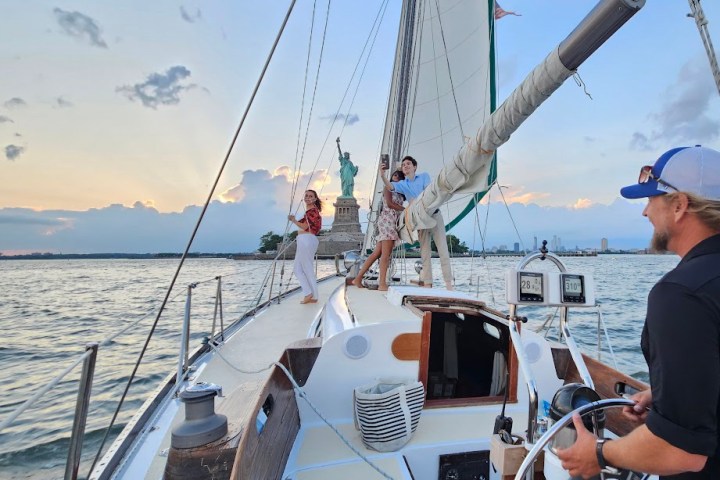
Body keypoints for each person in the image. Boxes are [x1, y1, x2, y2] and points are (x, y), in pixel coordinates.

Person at [556, 145, 720, 479]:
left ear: (679, 206)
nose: (645, 213)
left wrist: (598, 454)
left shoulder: (680, 295)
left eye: (650, 201)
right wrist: (666, 393)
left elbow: (682, 451)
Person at [380, 155, 452, 289]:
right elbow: (390, 186)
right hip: (420, 220)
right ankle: (428, 284)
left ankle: (449, 285)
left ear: (414, 167)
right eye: (403, 165)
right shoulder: (402, 184)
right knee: (425, 252)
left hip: (435, 215)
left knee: (443, 249)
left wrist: (414, 202)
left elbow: (427, 193)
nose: (405, 166)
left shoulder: (424, 176)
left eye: (408, 164)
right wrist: (382, 175)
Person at [352, 167, 406, 291]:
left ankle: (358, 278)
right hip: (387, 221)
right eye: (394, 175)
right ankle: (382, 283)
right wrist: (406, 210)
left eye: (399, 176)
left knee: (377, 254)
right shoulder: (388, 187)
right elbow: (390, 204)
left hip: (392, 221)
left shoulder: (401, 192)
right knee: (385, 255)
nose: (396, 177)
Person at [288, 190, 323, 304]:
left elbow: (305, 226)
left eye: (310, 196)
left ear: (315, 199)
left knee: (306, 268)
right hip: (305, 240)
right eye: (306, 196)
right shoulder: (309, 212)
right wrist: (295, 221)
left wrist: (293, 220)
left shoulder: (312, 212)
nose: (308, 198)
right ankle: (310, 294)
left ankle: (311, 295)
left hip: (306, 240)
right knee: (298, 269)